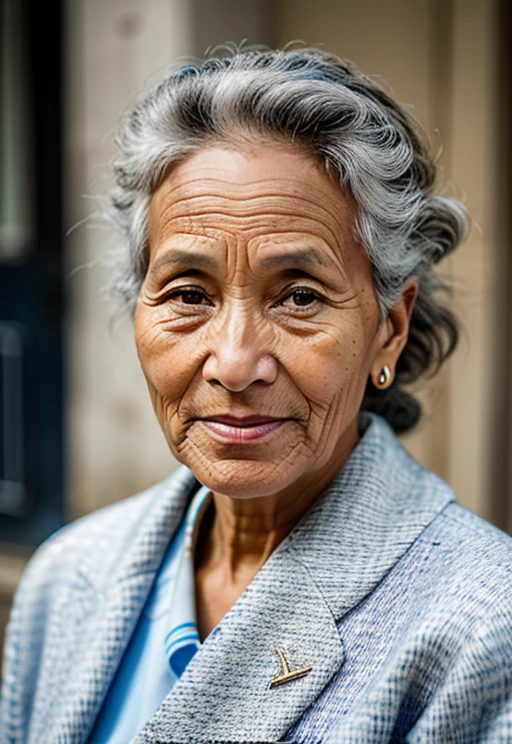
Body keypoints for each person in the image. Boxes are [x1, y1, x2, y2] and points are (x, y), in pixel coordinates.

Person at [1, 47, 512, 744]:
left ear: (389, 329)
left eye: (300, 295)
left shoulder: (483, 626)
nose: (236, 364)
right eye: (188, 294)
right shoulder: (67, 578)